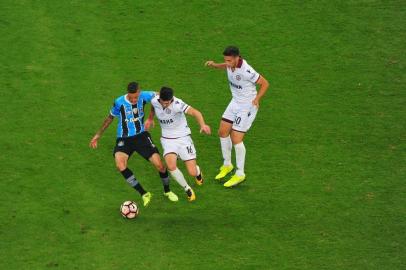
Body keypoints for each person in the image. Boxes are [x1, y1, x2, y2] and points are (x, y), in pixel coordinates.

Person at [89, 82, 179, 206]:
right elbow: (110, 118)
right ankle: (144, 193)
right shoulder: (119, 102)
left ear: (139, 92)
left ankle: (167, 191)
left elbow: (159, 97)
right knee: (121, 165)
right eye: (131, 97)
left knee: (160, 165)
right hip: (124, 138)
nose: (133, 100)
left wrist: (151, 117)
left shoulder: (145, 95)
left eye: (136, 97)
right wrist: (98, 135)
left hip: (141, 136)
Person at [205, 46, 270, 187]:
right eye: (225, 60)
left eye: (229, 60)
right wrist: (215, 65)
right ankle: (227, 164)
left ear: (237, 58)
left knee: (236, 138)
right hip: (235, 102)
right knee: (222, 132)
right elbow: (226, 66)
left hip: (247, 105)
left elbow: (265, 83)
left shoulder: (246, 70)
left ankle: (240, 173)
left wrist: (257, 98)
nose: (227, 63)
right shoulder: (230, 64)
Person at [146, 86, 211, 201]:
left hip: (183, 138)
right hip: (167, 139)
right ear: (159, 98)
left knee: (192, 172)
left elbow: (196, 112)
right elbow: (153, 107)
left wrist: (203, 125)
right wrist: (150, 118)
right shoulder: (155, 100)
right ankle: (187, 189)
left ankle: (198, 171)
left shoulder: (177, 104)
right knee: (171, 166)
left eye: (168, 103)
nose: (166, 105)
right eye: (164, 102)